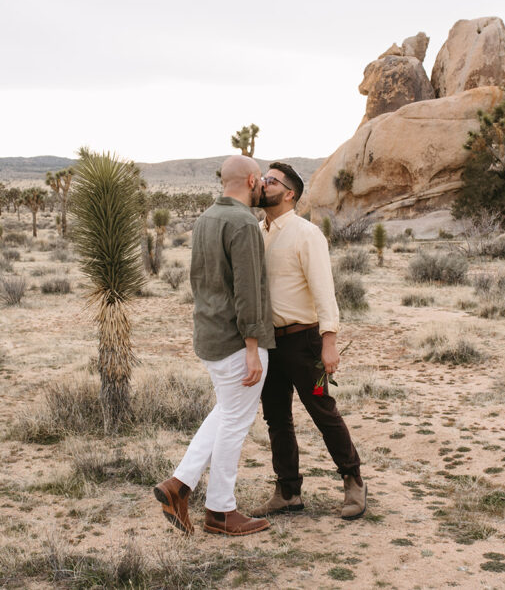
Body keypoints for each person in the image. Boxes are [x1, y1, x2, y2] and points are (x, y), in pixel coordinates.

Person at [153, 155, 276, 536]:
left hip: (209, 335)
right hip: (236, 341)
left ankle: (178, 486)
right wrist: (253, 346)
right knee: (235, 424)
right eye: (262, 181)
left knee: (225, 414)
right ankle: (221, 512)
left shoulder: (206, 219)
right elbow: (248, 292)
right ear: (253, 180)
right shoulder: (243, 223)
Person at [251, 161, 366, 520]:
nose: (263, 183)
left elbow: (324, 292)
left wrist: (329, 343)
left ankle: (353, 481)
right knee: (277, 418)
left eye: (271, 180)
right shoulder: (256, 232)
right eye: (263, 178)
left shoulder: (306, 234)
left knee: (321, 409)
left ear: (289, 194)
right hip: (270, 344)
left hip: (306, 344)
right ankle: (287, 492)